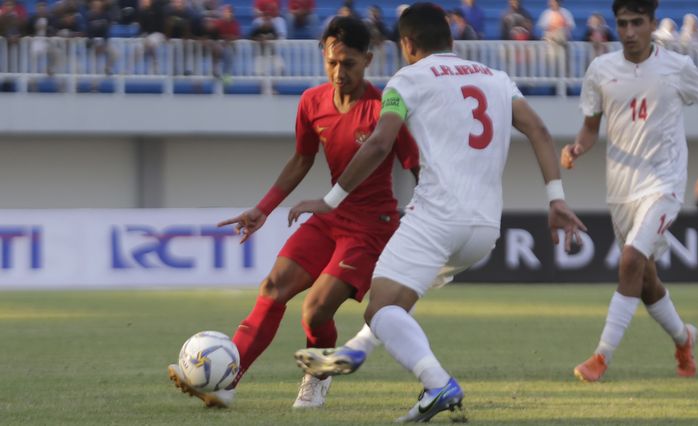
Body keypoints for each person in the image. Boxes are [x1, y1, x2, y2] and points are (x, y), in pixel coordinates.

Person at [290, 3, 585, 422]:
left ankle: (437, 383)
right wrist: (556, 198)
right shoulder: (495, 78)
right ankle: (356, 350)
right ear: (451, 40)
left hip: (436, 217)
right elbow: (538, 129)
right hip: (484, 229)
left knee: (380, 307)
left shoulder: (406, 79)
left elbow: (377, 144)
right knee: (395, 303)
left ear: (406, 44)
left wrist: (330, 199)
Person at [167, 15, 419, 409]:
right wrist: (263, 208)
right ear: (324, 57)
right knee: (272, 289)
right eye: (332, 63)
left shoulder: (385, 111)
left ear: (368, 60)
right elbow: (302, 160)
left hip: (372, 227)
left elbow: (417, 166)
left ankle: (318, 377)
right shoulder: (311, 102)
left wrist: (429, 219)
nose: (339, 72)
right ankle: (224, 382)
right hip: (329, 218)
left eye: (349, 64)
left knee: (315, 311)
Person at [561, 0, 698, 383]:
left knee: (630, 259)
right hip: (621, 190)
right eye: (622, 23)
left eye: (638, 22)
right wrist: (577, 148)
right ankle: (683, 338)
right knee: (645, 280)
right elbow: (590, 126)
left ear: (653, 24)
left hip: (664, 184)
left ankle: (601, 357)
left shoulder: (678, 68)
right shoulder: (601, 70)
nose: (629, 31)